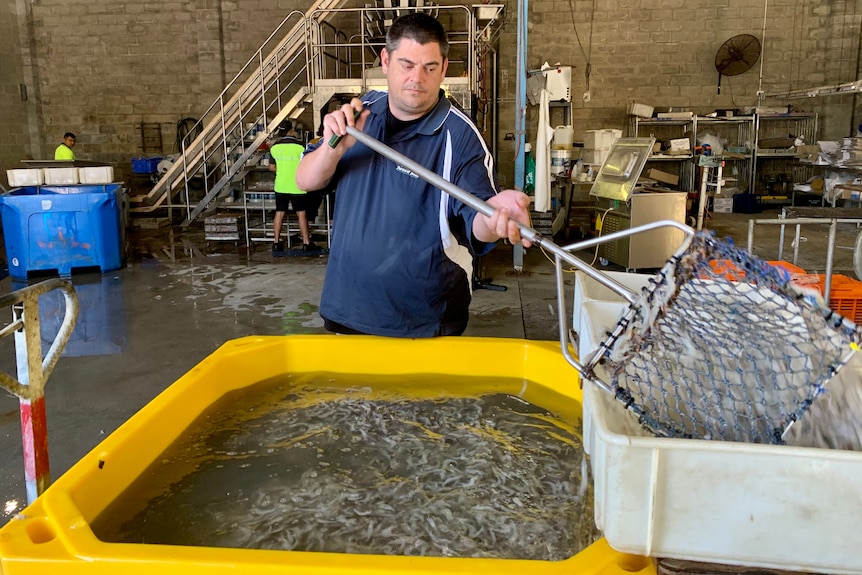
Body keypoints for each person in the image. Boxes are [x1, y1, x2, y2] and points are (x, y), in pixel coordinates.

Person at [295, 12, 531, 338]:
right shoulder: (359, 113)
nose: (417, 78)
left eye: (430, 67)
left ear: (444, 69)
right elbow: (305, 180)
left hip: (423, 325)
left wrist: (497, 215)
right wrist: (334, 148)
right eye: (407, 65)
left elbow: (477, 224)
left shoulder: (459, 137)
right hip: (345, 312)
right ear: (386, 60)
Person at [268, 121, 322, 255]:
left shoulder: (274, 147)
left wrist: (284, 171)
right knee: (301, 214)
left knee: (279, 213)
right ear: (291, 131)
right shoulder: (300, 146)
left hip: (281, 186)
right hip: (298, 185)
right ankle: (306, 243)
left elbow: (272, 167)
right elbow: (308, 163)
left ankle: (276, 243)